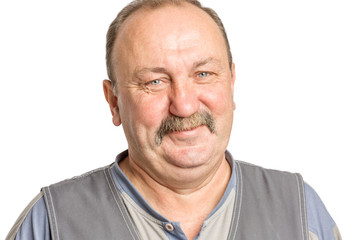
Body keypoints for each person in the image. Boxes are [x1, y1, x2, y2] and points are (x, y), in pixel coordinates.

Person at [6, 0, 341, 239]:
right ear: (114, 103)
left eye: (204, 73)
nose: (183, 105)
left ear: (231, 83)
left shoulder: (301, 213)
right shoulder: (52, 224)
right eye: (155, 81)